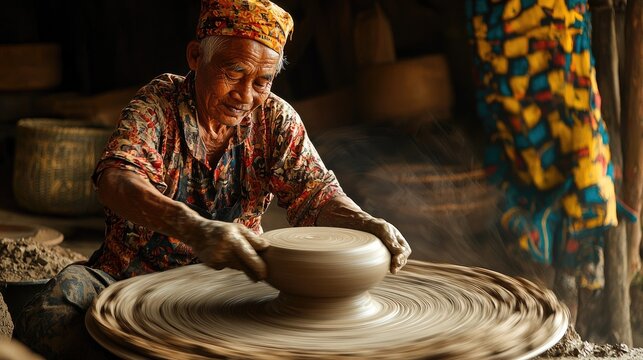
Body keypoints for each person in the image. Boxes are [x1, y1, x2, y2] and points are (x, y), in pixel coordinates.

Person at [15, 0, 411, 358]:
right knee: (51, 313)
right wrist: (196, 229)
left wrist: (364, 221)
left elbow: (318, 195)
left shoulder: (275, 119)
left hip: (235, 290)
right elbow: (116, 180)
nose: (245, 95)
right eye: (234, 72)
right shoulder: (159, 105)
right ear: (195, 56)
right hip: (128, 279)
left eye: (262, 81)